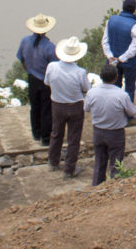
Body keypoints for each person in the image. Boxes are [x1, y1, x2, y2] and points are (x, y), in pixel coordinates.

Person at [83, 65, 136, 186]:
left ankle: (96, 187)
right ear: (116, 77)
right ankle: (114, 189)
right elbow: (132, 112)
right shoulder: (121, 95)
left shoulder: (92, 93)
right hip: (116, 132)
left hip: (98, 131)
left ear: (101, 77)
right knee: (116, 163)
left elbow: (86, 108)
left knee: (99, 162)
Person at [45, 36, 90, 178]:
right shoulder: (80, 72)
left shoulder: (52, 67)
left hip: (57, 105)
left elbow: (47, 82)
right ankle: (69, 169)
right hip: (75, 106)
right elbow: (86, 88)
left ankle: (53, 162)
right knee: (74, 138)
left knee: (56, 133)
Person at [16, 13, 58, 146]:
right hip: (45, 81)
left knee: (35, 107)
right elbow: (55, 67)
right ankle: (46, 138)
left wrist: (29, 70)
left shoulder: (25, 41)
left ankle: (36, 133)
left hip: (32, 78)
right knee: (46, 109)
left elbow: (21, 59)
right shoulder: (50, 47)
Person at [102, 0, 136, 124]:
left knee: (114, 87)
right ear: (134, 9)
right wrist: (121, 59)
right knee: (129, 88)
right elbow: (133, 48)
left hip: (112, 62)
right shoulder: (135, 25)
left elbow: (105, 41)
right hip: (129, 63)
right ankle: (128, 117)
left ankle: (114, 114)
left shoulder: (111, 20)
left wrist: (111, 57)